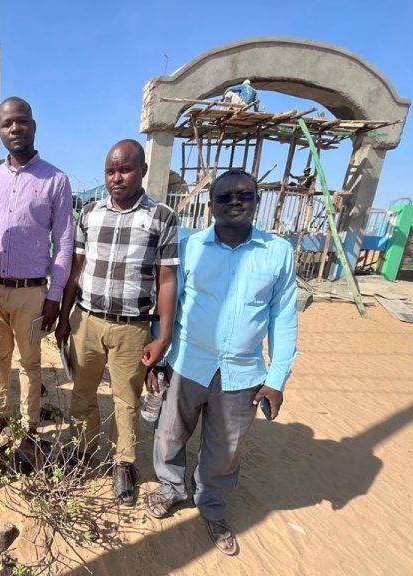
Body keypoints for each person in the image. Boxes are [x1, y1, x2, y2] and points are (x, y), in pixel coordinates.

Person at [145, 168, 298, 555]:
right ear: (210, 204)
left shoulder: (278, 252)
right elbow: (169, 304)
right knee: (170, 433)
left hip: (243, 372)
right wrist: (158, 355)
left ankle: (210, 504)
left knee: (225, 448)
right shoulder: (191, 247)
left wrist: (277, 377)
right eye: (224, 197)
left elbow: (283, 316)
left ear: (256, 200)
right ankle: (171, 489)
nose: (234, 202)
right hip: (186, 362)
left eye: (244, 195)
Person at [55, 139, 179, 506]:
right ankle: (83, 450)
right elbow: (75, 270)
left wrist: (164, 336)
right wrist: (64, 317)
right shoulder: (89, 213)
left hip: (132, 327)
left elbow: (167, 280)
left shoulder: (162, 217)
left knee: (127, 399)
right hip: (87, 321)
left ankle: (123, 462)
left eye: (124, 169)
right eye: (110, 171)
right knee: (82, 392)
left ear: (142, 171)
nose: (116, 177)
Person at [0, 97, 74, 456]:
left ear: (33, 125)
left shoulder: (56, 180)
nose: (14, 128)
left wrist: (54, 296)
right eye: (7, 123)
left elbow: (64, 240)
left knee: (30, 363)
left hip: (31, 294)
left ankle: (29, 429)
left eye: (21, 121)